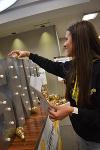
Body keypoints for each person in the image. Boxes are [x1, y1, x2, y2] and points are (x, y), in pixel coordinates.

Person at [8, 21, 100, 150]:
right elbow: (52, 66)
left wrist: (71, 110)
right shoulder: (74, 66)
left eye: (67, 39)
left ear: (79, 42)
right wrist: (29, 55)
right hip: (81, 134)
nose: (64, 44)